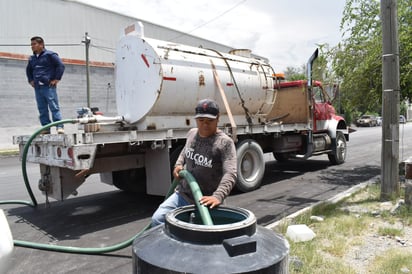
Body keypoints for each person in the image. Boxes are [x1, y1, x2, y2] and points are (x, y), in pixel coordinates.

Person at [151, 99, 237, 227]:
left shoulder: (225, 143)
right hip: (183, 195)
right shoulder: (192, 134)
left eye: (210, 121)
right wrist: (178, 164)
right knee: (158, 219)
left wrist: (218, 196)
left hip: (207, 201)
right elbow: (186, 151)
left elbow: (230, 173)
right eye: (201, 121)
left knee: (207, 235)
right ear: (196, 119)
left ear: (218, 118)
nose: (205, 125)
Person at [26, 36, 65, 134]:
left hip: (48, 86)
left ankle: (59, 126)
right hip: (38, 88)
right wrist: (31, 80)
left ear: (41, 45)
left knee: (54, 107)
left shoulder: (50, 55)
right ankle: (46, 128)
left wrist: (56, 79)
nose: (32, 46)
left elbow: (60, 65)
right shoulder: (32, 58)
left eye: (34, 44)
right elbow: (28, 70)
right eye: (31, 44)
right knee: (42, 108)